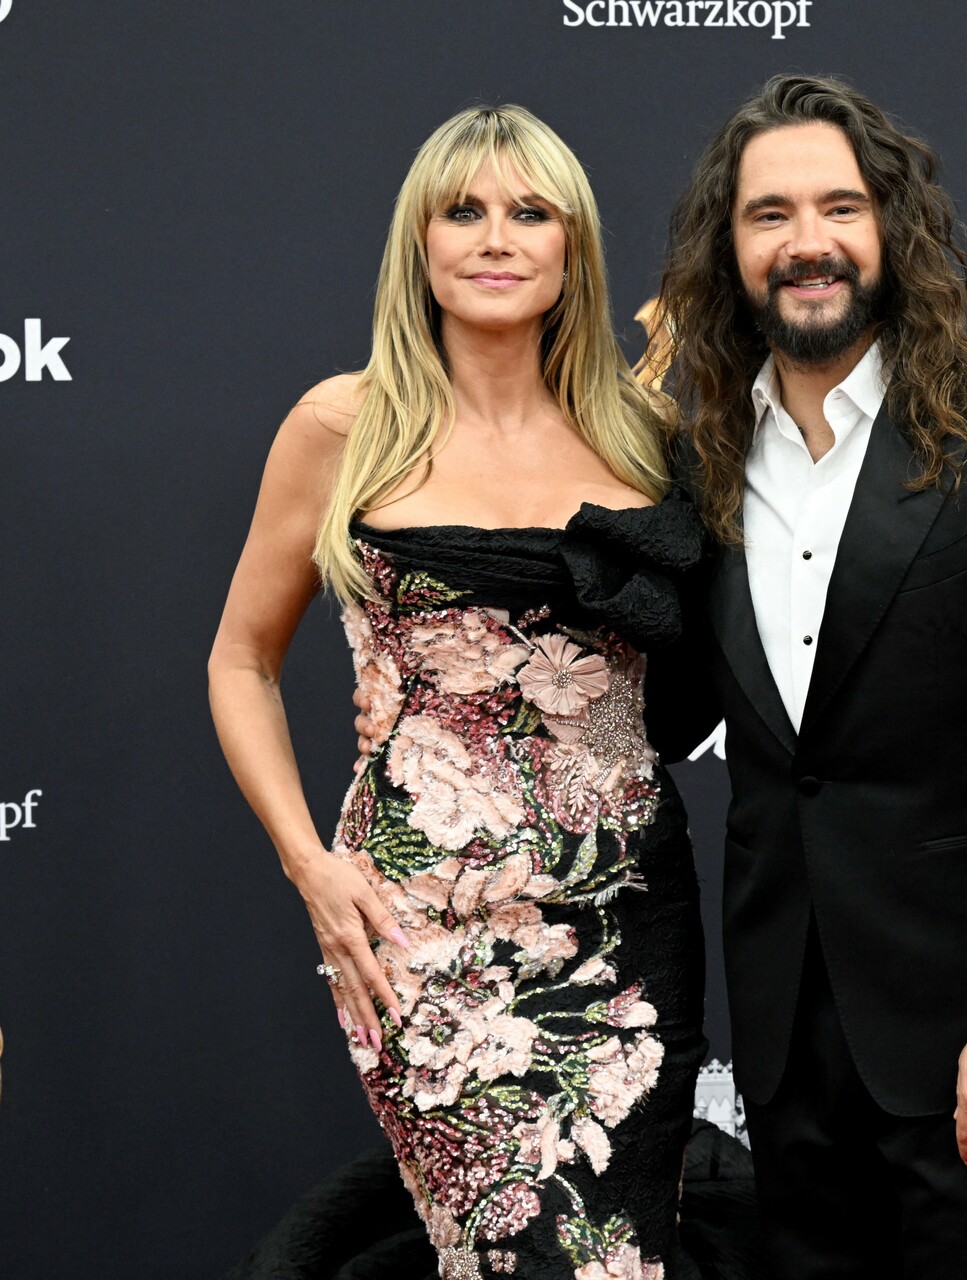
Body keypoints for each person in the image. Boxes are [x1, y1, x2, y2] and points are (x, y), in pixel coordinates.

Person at [647, 75, 967, 1277]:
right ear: (729, 249)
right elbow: (673, 710)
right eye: (769, 214)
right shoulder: (700, 462)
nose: (807, 242)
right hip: (783, 1029)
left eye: (840, 207)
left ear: (892, 229)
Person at [208, 105, 711, 1280]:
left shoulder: (642, 433)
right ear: (419, 243)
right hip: (422, 926)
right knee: (506, 1252)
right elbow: (240, 660)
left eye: (530, 212)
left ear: (572, 246)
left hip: (626, 916)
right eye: (463, 210)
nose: (496, 237)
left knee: (621, 1257)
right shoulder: (343, 425)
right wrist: (310, 865)